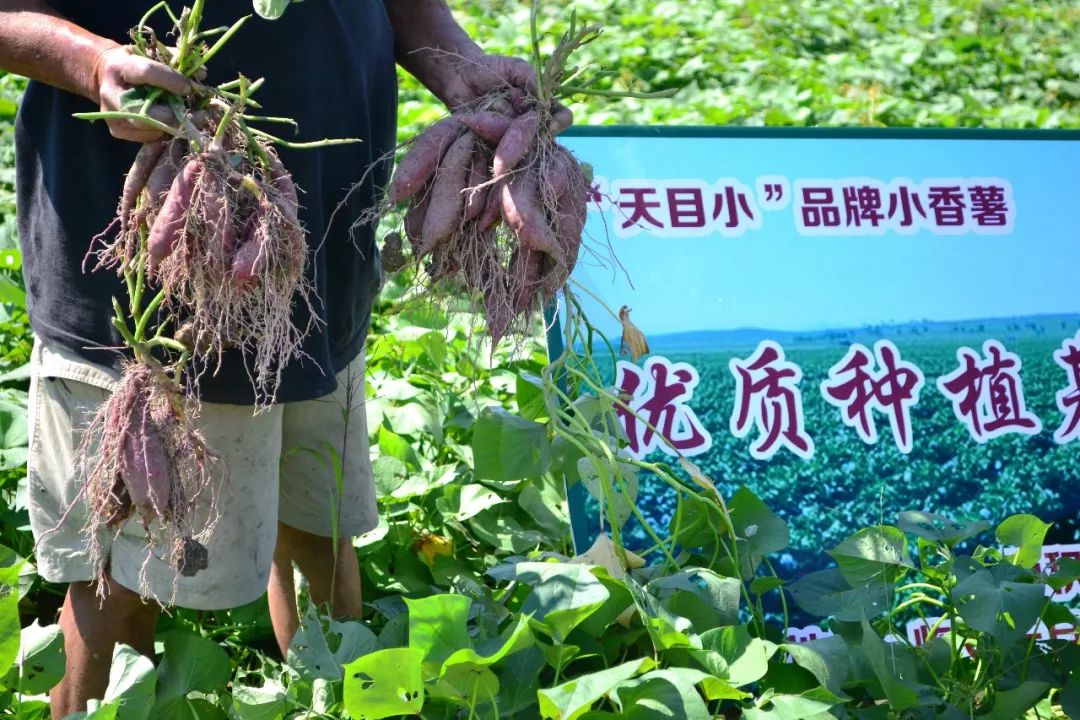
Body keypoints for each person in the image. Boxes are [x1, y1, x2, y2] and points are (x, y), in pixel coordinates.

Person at [0, 1, 567, 716]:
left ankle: (342, 700)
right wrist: (92, 64)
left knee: (319, 533)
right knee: (122, 580)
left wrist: (456, 60)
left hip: (322, 252)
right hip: (148, 281)